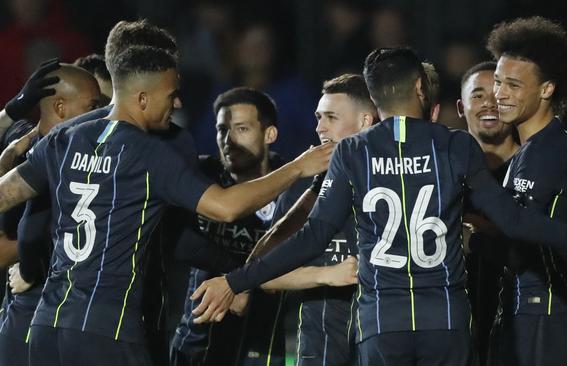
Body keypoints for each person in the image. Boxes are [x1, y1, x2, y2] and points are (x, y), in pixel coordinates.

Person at [189, 47, 567, 366]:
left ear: (374, 97)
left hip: (382, 324)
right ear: (418, 87)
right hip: (445, 322)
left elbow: (310, 236)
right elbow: (514, 220)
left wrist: (236, 279)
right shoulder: (454, 147)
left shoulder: (354, 153)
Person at [0, 30, 332, 366]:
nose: (178, 103)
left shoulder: (65, 137)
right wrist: (298, 168)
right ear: (142, 98)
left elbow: (5, 195)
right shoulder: (150, 152)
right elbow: (226, 208)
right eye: (171, 94)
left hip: (47, 327)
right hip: (107, 329)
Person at [484, 16, 567, 365]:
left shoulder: (546, 152)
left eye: (514, 85)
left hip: (543, 311)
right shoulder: (548, 144)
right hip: (537, 309)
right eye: (498, 81)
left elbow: (522, 227)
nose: (500, 94)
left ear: (547, 89)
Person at [255, 74, 376, 366]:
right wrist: (326, 275)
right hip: (318, 349)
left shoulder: (393, 181)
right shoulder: (301, 187)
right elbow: (264, 275)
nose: (319, 128)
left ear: (365, 121)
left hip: (383, 345)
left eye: (331, 117)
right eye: (319, 117)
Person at [170, 87, 287, 366]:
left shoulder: (292, 185)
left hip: (263, 347)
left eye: (242, 129)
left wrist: (240, 284)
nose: (229, 140)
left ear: (269, 134)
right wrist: (237, 277)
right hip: (196, 344)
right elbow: (177, 239)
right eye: (222, 129)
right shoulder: (202, 176)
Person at [0, 63, 101, 366]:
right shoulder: (27, 145)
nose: (104, 115)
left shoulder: (99, 154)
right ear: (59, 106)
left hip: (66, 313)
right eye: (94, 106)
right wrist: (14, 108)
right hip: (31, 312)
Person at [456, 61, 518, 366]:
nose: (489, 103)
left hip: (521, 324)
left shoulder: (538, 165)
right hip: (453, 328)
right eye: (478, 95)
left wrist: (476, 228)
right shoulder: (442, 172)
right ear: (460, 107)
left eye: (497, 94)